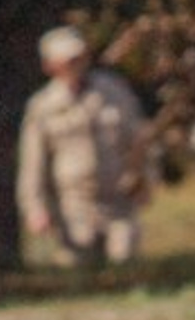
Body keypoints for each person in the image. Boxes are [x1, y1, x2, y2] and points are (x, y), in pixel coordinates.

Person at [18, 27, 150, 266]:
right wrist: (35, 208)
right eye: (67, 60)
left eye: (79, 58)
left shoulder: (114, 91)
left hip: (118, 199)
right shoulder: (42, 106)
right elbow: (33, 163)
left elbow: (139, 139)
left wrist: (144, 180)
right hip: (73, 205)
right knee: (80, 268)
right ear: (50, 66)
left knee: (125, 263)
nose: (75, 65)